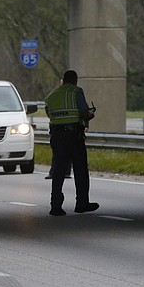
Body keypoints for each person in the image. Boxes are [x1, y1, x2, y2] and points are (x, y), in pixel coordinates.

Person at [44, 70, 98, 216]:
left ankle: (55, 206)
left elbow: (49, 112)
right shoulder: (76, 92)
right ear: (75, 80)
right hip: (74, 136)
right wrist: (90, 115)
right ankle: (82, 203)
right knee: (80, 170)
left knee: (59, 171)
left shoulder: (52, 95)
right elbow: (84, 113)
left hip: (56, 136)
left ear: (63, 80)